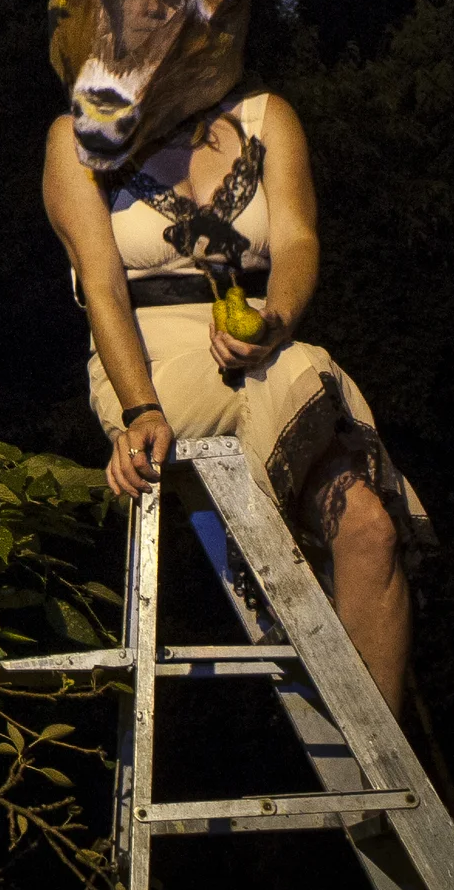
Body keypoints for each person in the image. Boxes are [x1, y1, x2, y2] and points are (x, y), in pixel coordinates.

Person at [43, 84, 432, 711]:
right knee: (312, 370)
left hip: (261, 357)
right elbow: (102, 287)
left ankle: (377, 790)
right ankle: (286, 553)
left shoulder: (267, 116)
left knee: (370, 530)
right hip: (149, 368)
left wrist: (274, 319)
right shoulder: (79, 137)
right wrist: (139, 410)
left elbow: (299, 240)